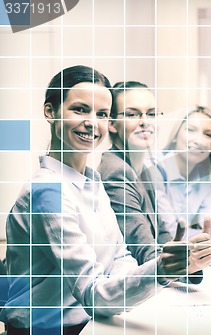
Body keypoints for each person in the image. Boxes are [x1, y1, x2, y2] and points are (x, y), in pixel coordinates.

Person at [0, 66, 193, 334]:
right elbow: (93, 293)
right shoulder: (46, 193)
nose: (93, 122)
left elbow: (121, 256)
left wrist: (118, 281)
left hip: (93, 324)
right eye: (80, 109)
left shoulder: (91, 181)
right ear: (50, 112)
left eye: (101, 114)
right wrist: (159, 271)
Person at [97, 81, 211, 281]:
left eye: (151, 114)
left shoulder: (146, 172)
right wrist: (186, 265)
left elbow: (162, 235)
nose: (144, 121)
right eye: (132, 114)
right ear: (112, 124)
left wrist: (191, 264)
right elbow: (143, 248)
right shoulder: (116, 171)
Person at [150, 105, 211, 242]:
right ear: (175, 136)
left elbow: (209, 228)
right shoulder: (155, 169)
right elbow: (171, 235)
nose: (200, 141)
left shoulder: (203, 176)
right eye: (191, 130)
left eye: (208, 134)